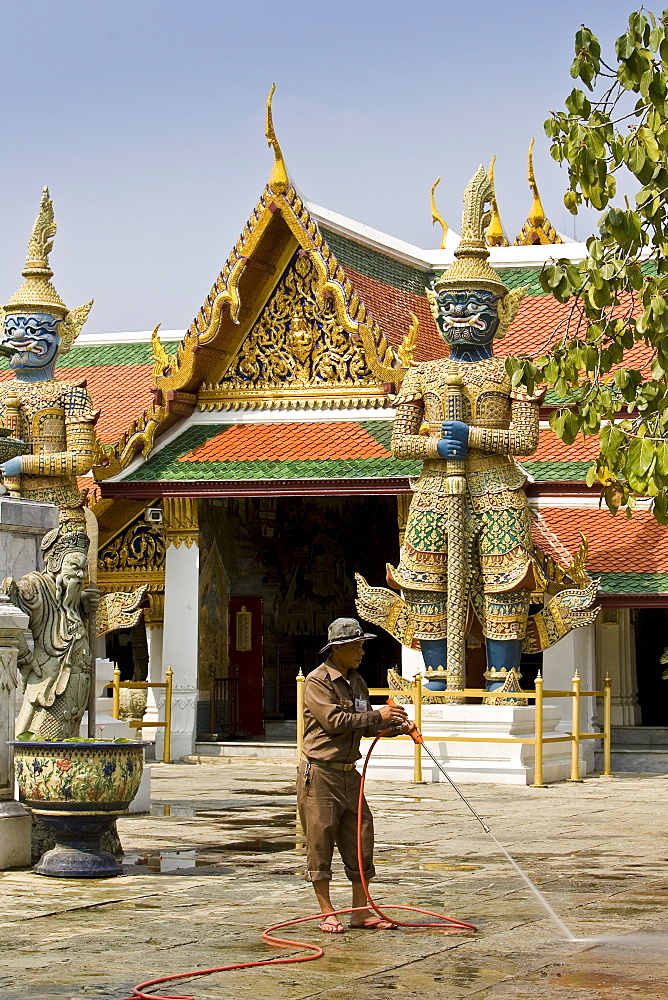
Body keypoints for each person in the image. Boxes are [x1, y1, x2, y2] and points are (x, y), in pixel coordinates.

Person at [297, 617, 408, 933]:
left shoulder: (357, 681)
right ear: (339, 648)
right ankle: (326, 911)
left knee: (361, 837)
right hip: (320, 774)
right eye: (357, 645)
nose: (362, 651)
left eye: (362, 645)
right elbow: (333, 721)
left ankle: (360, 911)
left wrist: (392, 727)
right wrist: (377, 715)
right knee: (321, 840)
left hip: (349, 774)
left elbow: (364, 721)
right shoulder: (317, 682)